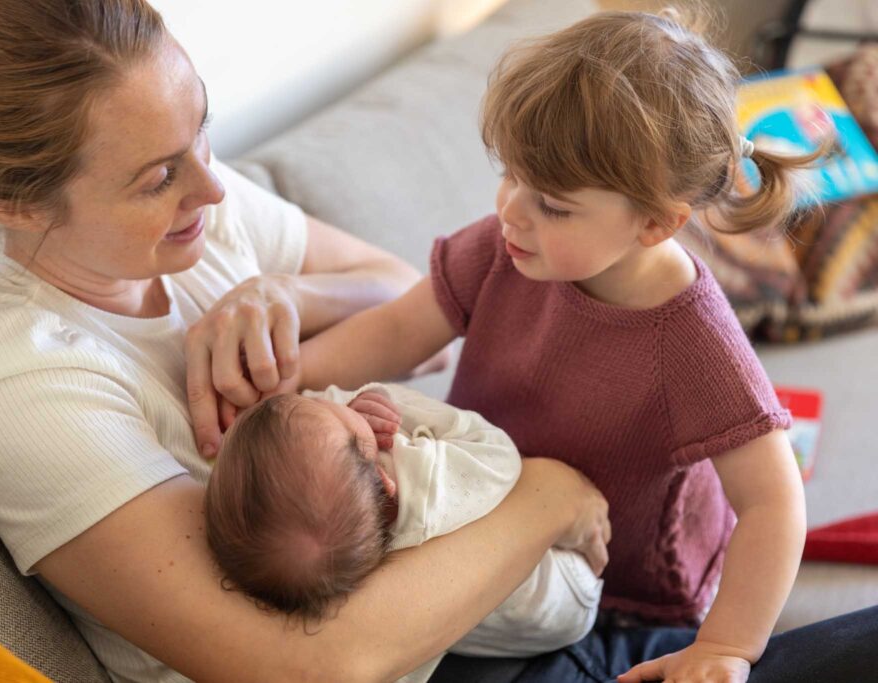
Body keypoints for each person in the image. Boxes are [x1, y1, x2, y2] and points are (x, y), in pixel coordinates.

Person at [0, 1, 613, 681]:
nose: (212, 187)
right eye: (157, 177)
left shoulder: (198, 216)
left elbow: (422, 312)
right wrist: (550, 497)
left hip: (498, 605)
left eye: (201, 128)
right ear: (16, 204)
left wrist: (285, 293)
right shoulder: (22, 384)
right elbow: (310, 665)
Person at [296, 9, 878, 683]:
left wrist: (726, 646)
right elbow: (398, 331)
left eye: (553, 204)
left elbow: (774, 503)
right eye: (510, 174)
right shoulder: (501, 247)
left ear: (656, 223)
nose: (510, 210)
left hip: (627, 605)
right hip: (500, 530)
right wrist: (293, 378)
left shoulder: (692, 337)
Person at [205, 382, 603, 658]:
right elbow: (501, 456)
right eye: (336, 410)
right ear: (384, 478)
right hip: (564, 589)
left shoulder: (336, 554)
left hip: (485, 624)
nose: (327, 397)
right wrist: (388, 400)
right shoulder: (426, 480)